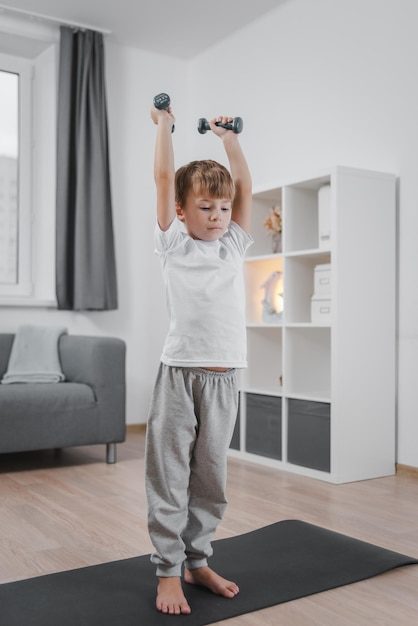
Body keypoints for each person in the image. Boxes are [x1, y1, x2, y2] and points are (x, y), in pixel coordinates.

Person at [146, 99, 253, 616]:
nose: (217, 217)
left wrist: (228, 139)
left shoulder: (233, 245)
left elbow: (245, 188)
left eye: (223, 208)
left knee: (211, 477)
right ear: (183, 211)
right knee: (169, 473)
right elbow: (164, 177)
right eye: (205, 208)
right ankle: (167, 571)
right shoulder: (173, 243)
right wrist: (164, 128)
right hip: (180, 375)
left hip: (225, 379)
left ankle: (197, 559)